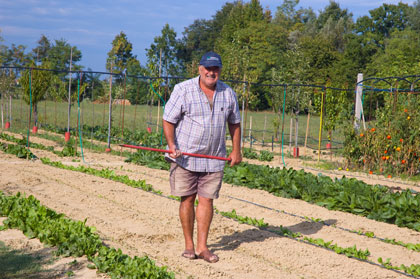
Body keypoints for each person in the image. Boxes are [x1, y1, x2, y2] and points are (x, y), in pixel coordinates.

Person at [162, 51, 242, 263]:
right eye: (207, 68)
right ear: (199, 69)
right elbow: (168, 119)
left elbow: (234, 123)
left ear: (220, 71)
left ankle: (202, 247)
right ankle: (189, 245)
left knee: (207, 201)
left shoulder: (228, 93)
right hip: (185, 158)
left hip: (214, 158)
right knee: (187, 199)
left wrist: (236, 150)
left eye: (215, 69)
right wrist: (172, 146)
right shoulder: (183, 90)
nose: (211, 72)